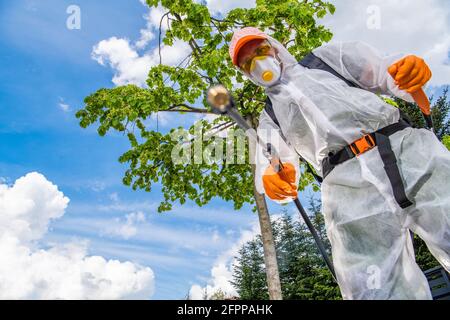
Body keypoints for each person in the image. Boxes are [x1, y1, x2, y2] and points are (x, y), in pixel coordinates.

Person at [229, 27, 450, 300]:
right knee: (374, 286)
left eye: (260, 51)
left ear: (274, 47)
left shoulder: (326, 60)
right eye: (248, 62)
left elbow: (385, 72)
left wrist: (406, 72)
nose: (259, 62)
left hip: (405, 150)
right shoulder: (270, 117)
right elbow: (273, 164)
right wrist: (274, 179)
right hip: (347, 190)